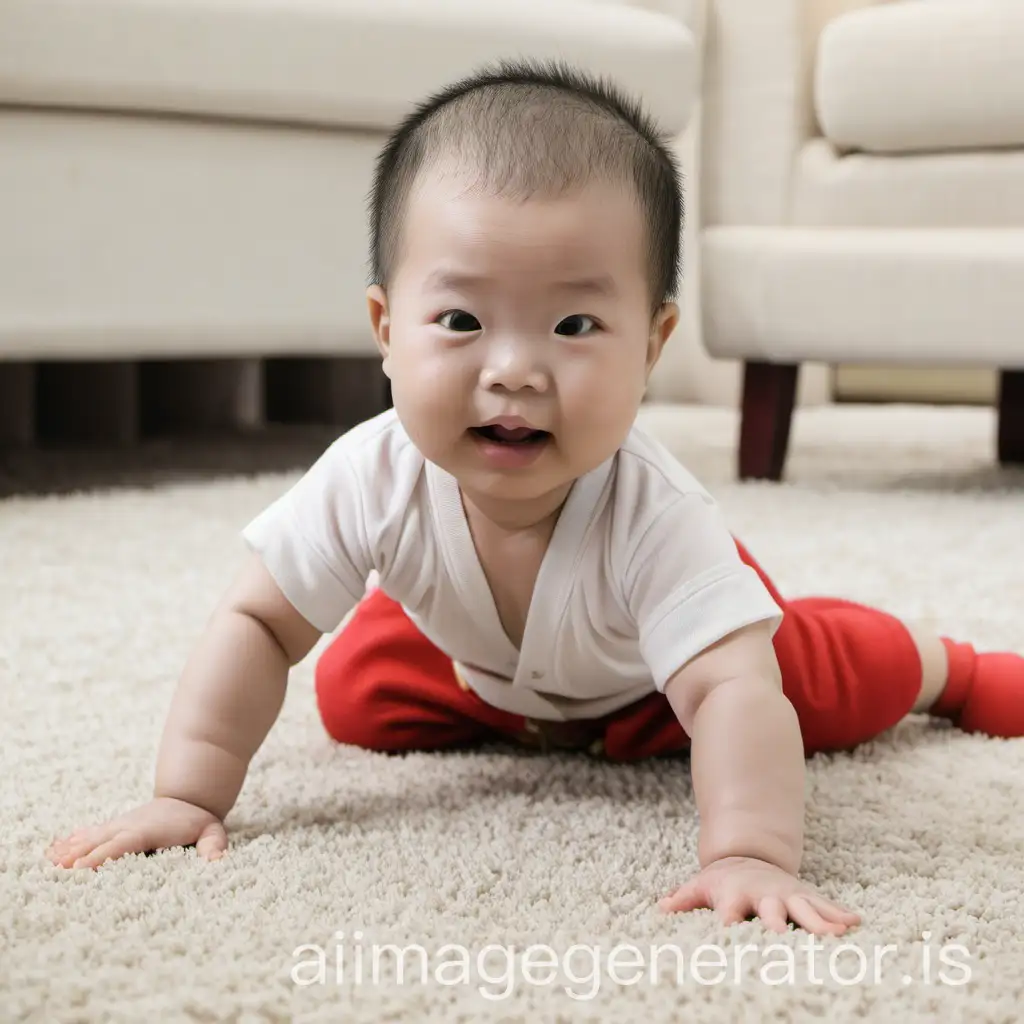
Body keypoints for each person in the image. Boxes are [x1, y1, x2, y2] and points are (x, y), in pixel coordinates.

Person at [46, 60, 1024, 937]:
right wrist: (188, 791)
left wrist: (747, 854)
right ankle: (504, 689)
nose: (513, 371)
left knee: (824, 680)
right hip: (486, 663)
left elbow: (729, 694)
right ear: (386, 328)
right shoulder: (370, 472)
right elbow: (258, 620)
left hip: (655, 676)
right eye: (462, 319)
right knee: (352, 696)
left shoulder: (658, 517)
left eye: (573, 323)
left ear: (649, 343)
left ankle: (953, 666)